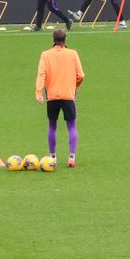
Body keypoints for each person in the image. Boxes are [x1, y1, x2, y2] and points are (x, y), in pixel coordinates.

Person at [35, 28, 85, 168]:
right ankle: (71, 157)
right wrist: (74, 86)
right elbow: (81, 75)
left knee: (52, 126)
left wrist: (38, 93)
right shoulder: (73, 54)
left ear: (53, 39)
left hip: (52, 96)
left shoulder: (45, 55)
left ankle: (52, 157)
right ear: (65, 39)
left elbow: (41, 74)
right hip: (68, 95)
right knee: (72, 126)